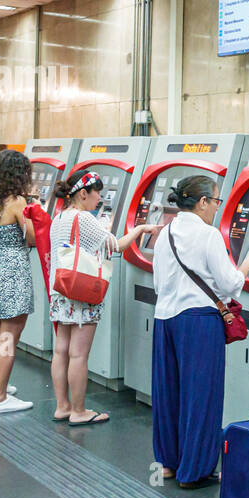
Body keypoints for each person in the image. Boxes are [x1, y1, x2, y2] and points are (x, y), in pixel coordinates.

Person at [151, 175, 249, 488]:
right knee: (201, 396)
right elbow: (229, 285)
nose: (216, 207)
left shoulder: (165, 233)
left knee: (168, 393)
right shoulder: (209, 235)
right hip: (199, 321)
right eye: (216, 201)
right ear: (202, 202)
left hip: (165, 319)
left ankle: (169, 464)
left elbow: (159, 284)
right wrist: (248, 265)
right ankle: (195, 471)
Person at [49, 169, 158, 427]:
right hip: (82, 292)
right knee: (79, 355)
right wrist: (141, 228)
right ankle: (79, 411)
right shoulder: (85, 219)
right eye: (98, 193)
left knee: (61, 350)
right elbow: (116, 246)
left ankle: (62, 407)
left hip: (61, 290)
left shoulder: (59, 217)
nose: (100, 198)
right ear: (83, 194)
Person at [0, 149, 37, 414]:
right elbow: (33, 237)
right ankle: (0, 399)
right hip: (12, 271)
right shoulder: (16, 202)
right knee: (10, 335)